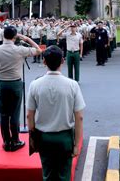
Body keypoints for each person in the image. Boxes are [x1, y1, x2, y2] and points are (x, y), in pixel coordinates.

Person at [27, 45, 85, 181]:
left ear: (44, 62)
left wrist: (32, 138)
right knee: (64, 174)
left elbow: (29, 115)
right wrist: (77, 144)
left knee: (47, 174)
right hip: (64, 138)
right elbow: (79, 117)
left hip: (44, 137)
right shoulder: (72, 85)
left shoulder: (35, 84)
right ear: (63, 61)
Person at [0, 26, 42, 152]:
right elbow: (38, 50)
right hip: (15, 84)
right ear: (15, 37)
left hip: (2, 83)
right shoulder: (20, 50)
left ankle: (6, 142)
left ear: (3, 36)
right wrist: (27, 38)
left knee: (3, 115)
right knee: (14, 114)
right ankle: (16, 140)